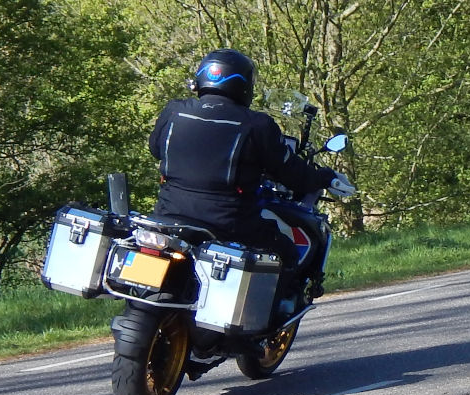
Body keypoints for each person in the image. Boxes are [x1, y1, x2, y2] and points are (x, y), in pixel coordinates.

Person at [148, 49, 356, 296]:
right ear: (244, 84)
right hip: (227, 223)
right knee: (286, 255)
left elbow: (155, 149)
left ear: (200, 79)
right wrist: (323, 176)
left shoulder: (174, 111)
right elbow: (292, 174)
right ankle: (256, 327)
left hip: (167, 216)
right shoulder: (256, 124)